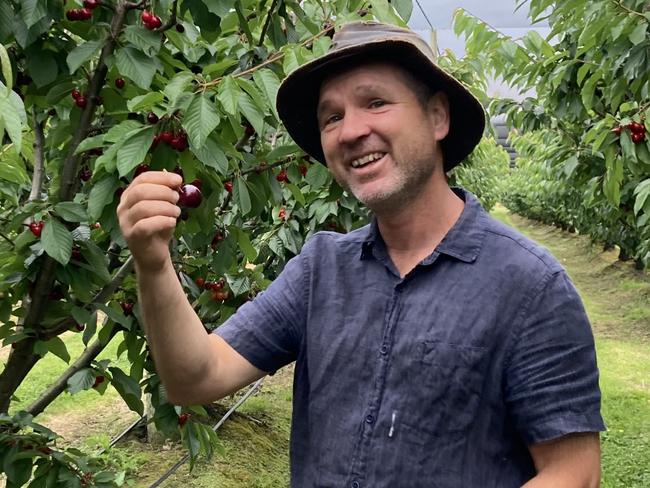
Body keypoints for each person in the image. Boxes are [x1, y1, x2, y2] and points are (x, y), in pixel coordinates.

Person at [117, 21, 605, 488]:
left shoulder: (529, 285)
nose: (350, 131)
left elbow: (574, 473)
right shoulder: (319, 269)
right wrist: (154, 263)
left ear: (437, 116)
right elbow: (195, 377)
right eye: (332, 117)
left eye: (375, 102)